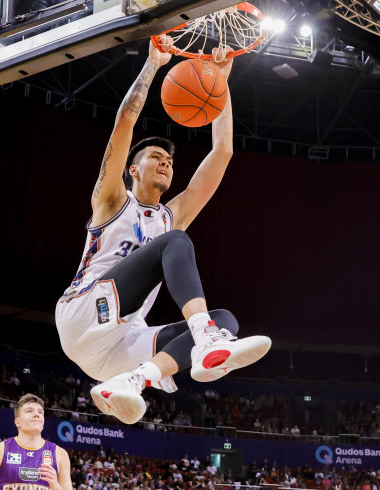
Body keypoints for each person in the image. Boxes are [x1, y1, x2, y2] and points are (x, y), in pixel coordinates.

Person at [54, 36, 271, 425]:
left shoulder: (172, 215)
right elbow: (125, 121)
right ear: (133, 170)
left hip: (118, 346)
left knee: (226, 321)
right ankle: (203, 339)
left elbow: (222, 154)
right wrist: (153, 64)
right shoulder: (111, 200)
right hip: (84, 315)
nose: (166, 163)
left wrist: (220, 87)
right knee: (175, 243)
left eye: (170, 160)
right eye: (156, 157)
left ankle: (132, 381)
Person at [0, 394, 72, 490]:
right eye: (29, 411)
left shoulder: (60, 454)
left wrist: (56, 486)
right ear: (17, 422)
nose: (37, 414)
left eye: (40, 412)